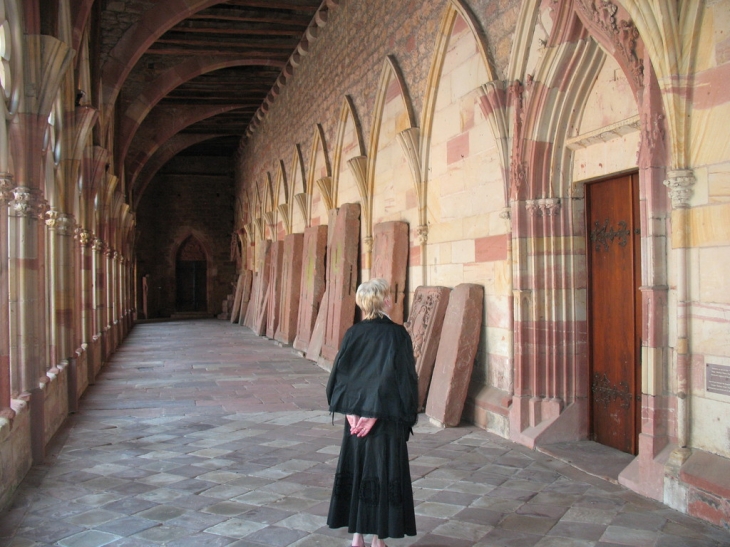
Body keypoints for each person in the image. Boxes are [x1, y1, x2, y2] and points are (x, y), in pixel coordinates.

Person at [326, 278, 419, 547]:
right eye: (389, 295)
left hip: (356, 421)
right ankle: (376, 539)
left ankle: (357, 539)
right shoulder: (397, 334)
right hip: (385, 419)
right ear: (385, 301)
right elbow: (401, 380)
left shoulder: (353, 333)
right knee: (381, 474)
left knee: (358, 473)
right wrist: (374, 414)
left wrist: (351, 413)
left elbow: (342, 377)